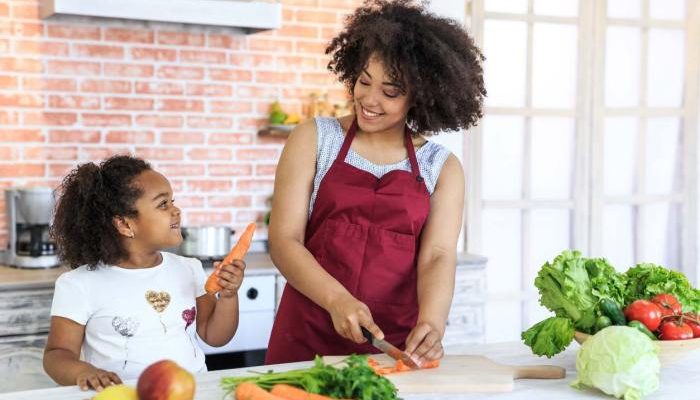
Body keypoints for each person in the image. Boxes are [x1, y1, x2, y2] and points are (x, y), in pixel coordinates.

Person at [266, 0, 486, 365]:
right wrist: (337, 300)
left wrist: (432, 321)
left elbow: (437, 255)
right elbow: (284, 240)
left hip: (393, 343)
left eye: (390, 91)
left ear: (421, 94)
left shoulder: (441, 167)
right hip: (306, 333)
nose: (369, 100)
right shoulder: (314, 138)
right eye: (364, 82)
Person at [43, 155, 245, 391]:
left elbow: (215, 336)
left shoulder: (189, 269)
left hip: (191, 392)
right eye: (163, 204)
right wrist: (85, 371)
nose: (176, 210)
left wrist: (229, 296)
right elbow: (57, 355)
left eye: (172, 201)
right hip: (122, 395)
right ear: (125, 225)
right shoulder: (79, 284)